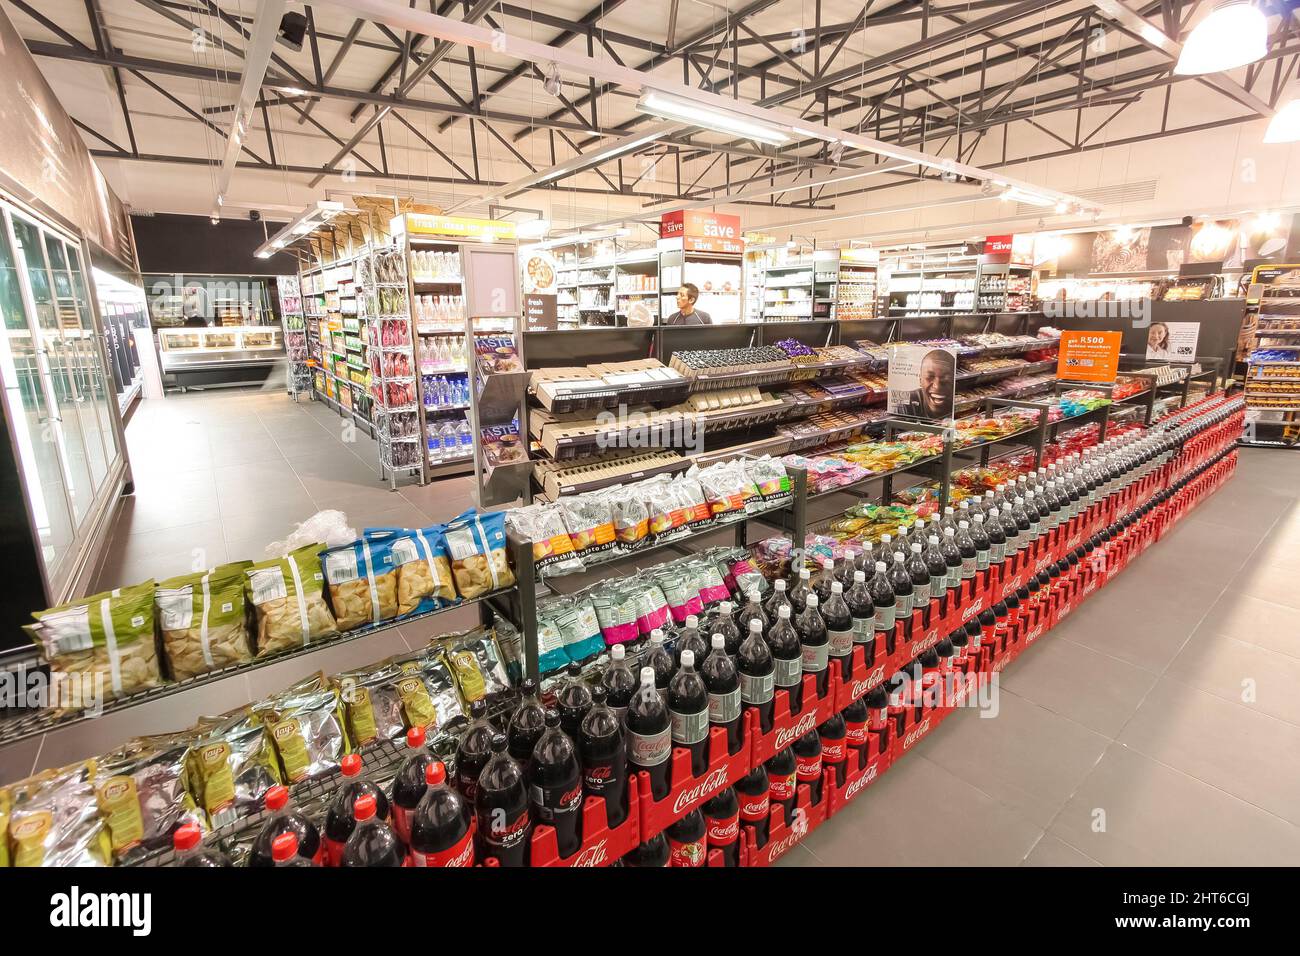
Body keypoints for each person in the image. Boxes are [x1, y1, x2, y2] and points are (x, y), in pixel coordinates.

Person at [895, 348, 955, 421]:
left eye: (946, 378)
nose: (937, 386)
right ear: (920, 379)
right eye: (930, 377)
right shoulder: (905, 403)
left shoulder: (958, 402)